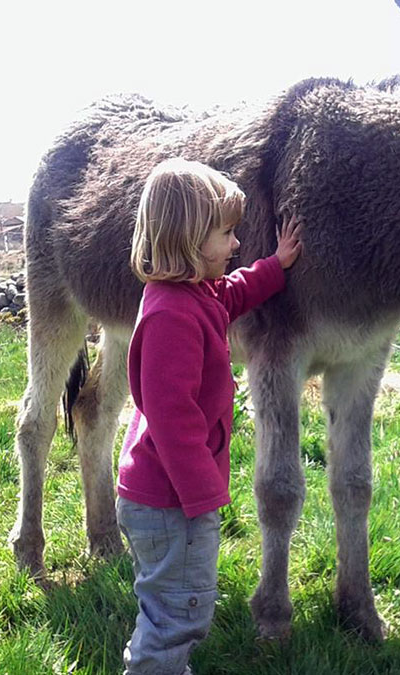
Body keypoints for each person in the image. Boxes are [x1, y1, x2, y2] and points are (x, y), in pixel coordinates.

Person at [117, 158, 303, 675]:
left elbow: (233, 293)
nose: (237, 244)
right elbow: (173, 419)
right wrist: (203, 499)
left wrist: (276, 266)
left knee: (170, 609)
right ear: (189, 239)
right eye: (226, 233)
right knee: (179, 613)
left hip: (165, 496)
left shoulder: (192, 293)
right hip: (172, 503)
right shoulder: (171, 316)